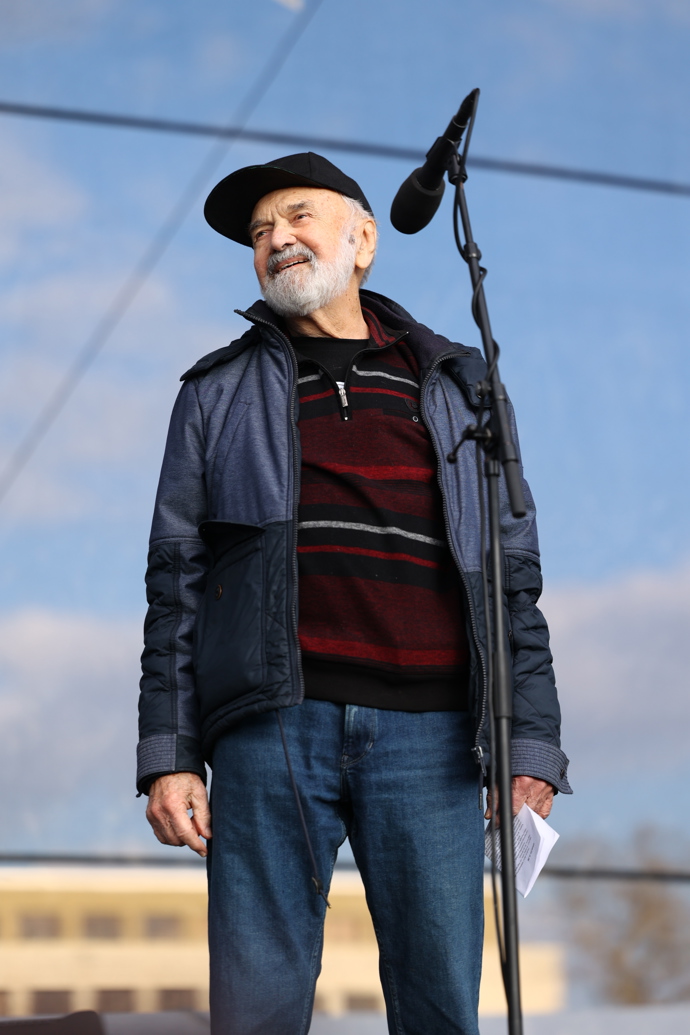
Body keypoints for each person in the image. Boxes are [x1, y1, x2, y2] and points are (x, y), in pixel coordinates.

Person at [137, 152, 571, 1035]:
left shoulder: (459, 385)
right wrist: (170, 752)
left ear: (363, 240)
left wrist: (529, 738)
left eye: (297, 216)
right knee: (255, 1013)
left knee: (443, 1008)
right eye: (260, 233)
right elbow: (175, 581)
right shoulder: (213, 392)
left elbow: (511, 578)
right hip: (269, 728)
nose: (276, 240)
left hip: (436, 739)